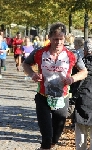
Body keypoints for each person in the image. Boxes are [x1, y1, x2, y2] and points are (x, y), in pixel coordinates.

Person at [22, 22, 88, 150]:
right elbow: (26, 64)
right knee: (46, 138)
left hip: (61, 99)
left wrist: (72, 79)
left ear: (65, 38)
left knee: (54, 139)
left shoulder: (72, 54)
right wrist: (32, 74)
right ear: (49, 38)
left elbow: (84, 72)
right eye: (55, 39)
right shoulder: (39, 53)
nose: (58, 42)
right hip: (43, 97)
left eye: (61, 39)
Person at [74, 38, 92, 150]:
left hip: (81, 102)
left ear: (84, 50)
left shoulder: (79, 66)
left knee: (80, 138)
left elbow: (72, 84)